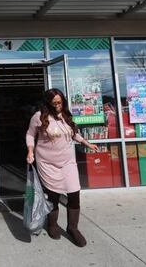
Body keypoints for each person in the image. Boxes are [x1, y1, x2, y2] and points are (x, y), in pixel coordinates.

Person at [25, 88, 98, 246]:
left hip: (68, 163)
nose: (58, 105)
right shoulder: (38, 117)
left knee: (74, 194)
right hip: (47, 162)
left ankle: (73, 228)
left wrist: (87, 143)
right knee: (53, 196)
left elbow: (73, 133)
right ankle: (52, 224)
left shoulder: (65, 115)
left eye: (60, 102)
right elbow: (30, 134)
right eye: (54, 103)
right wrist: (30, 151)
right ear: (48, 103)